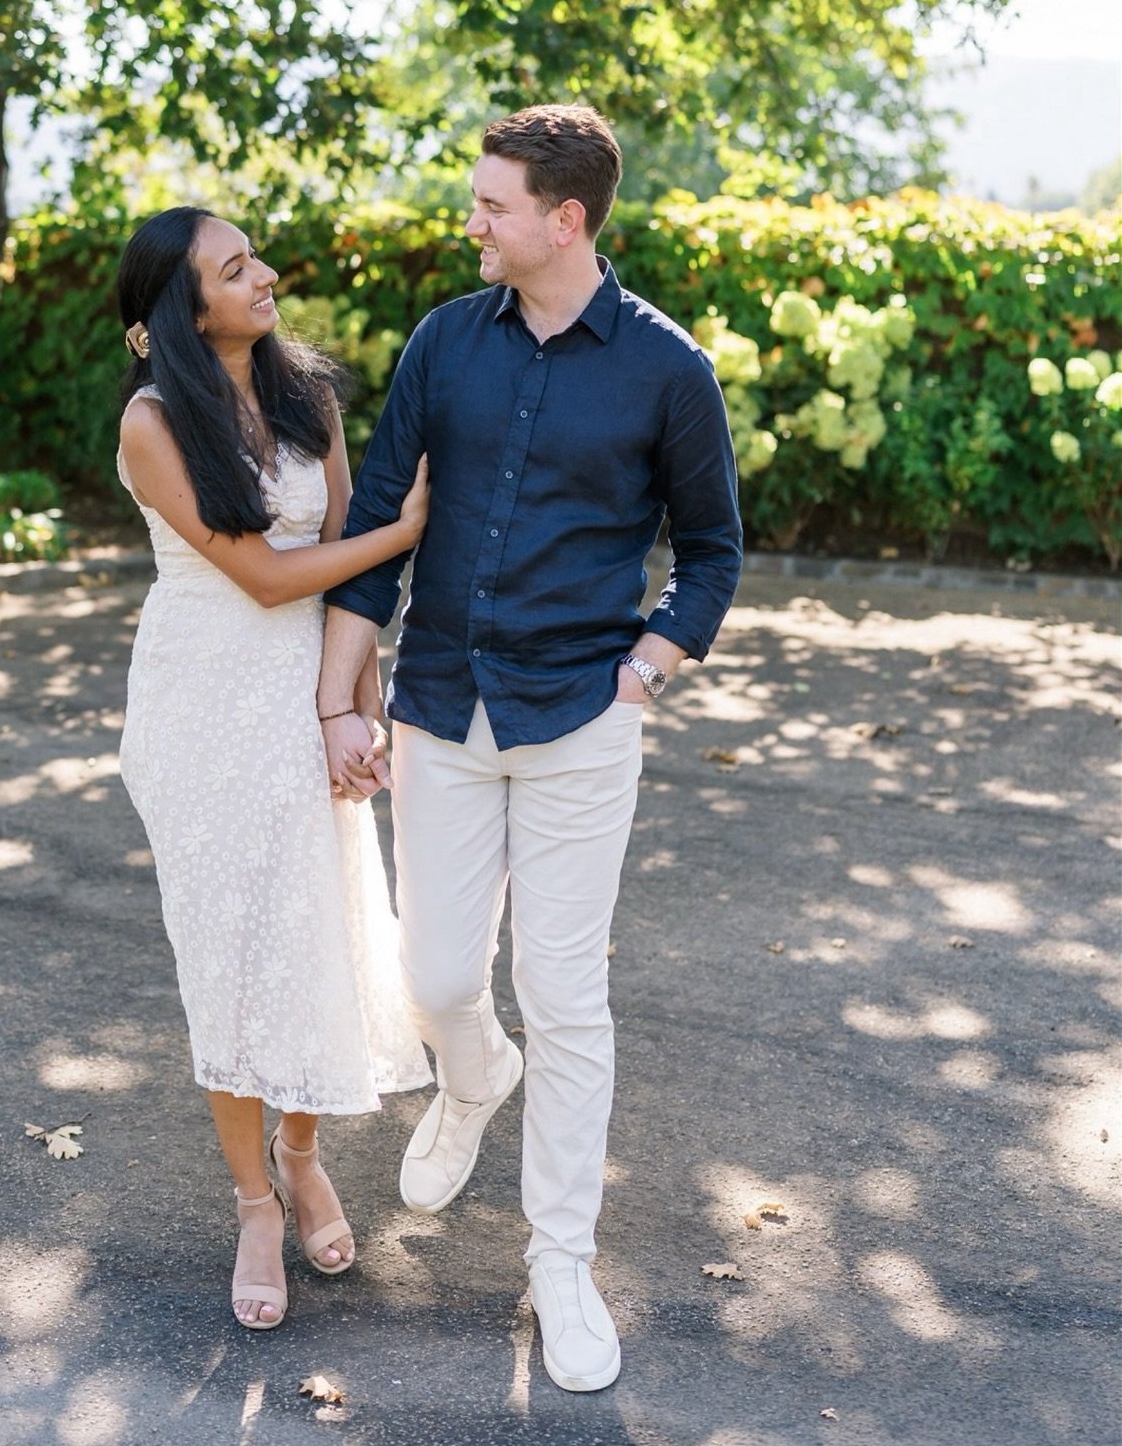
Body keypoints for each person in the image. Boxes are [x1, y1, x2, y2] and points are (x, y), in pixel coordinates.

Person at [317, 106, 743, 1392]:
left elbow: (713, 550)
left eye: (493, 204)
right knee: (441, 979)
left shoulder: (668, 368)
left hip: (579, 719)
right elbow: (383, 512)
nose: (473, 221)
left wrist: (651, 664)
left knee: (567, 998)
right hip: (441, 704)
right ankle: (472, 1077)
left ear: (566, 220)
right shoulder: (447, 338)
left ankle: (560, 1258)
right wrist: (343, 697)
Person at [114, 206, 431, 1333]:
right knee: (231, 956)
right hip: (203, 712)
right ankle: (255, 1202)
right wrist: (408, 530)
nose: (268, 276)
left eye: (257, 259)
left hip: (306, 701)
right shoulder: (154, 425)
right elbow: (262, 576)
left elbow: (341, 577)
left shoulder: (309, 398)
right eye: (235, 268)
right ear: (178, 306)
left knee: (317, 937)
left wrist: (357, 704)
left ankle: (303, 1159)